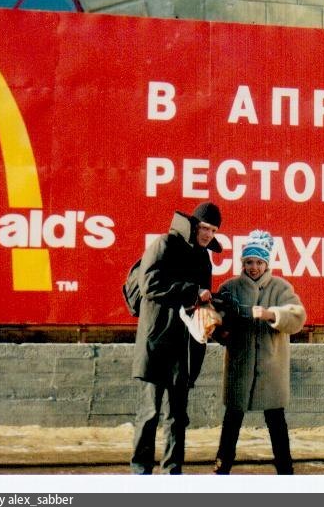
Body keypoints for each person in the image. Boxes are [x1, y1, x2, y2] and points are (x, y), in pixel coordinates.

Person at [130, 201, 223, 475]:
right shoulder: (164, 244)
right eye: (205, 228)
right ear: (194, 225)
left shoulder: (204, 258)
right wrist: (192, 291)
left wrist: (211, 307)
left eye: (213, 230)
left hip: (185, 346)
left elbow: (200, 301)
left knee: (177, 416)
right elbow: (149, 285)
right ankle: (140, 472)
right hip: (156, 342)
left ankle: (172, 474)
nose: (208, 234)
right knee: (149, 413)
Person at [213, 230, 306, 475]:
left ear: (266, 264)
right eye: (249, 262)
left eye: (258, 262)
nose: (253, 267)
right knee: (232, 419)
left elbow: (298, 317)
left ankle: (285, 470)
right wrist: (219, 329)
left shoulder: (281, 287)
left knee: (276, 420)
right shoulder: (229, 288)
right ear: (242, 263)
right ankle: (222, 466)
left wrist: (271, 314)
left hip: (271, 367)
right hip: (240, 366)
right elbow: (218, 321)